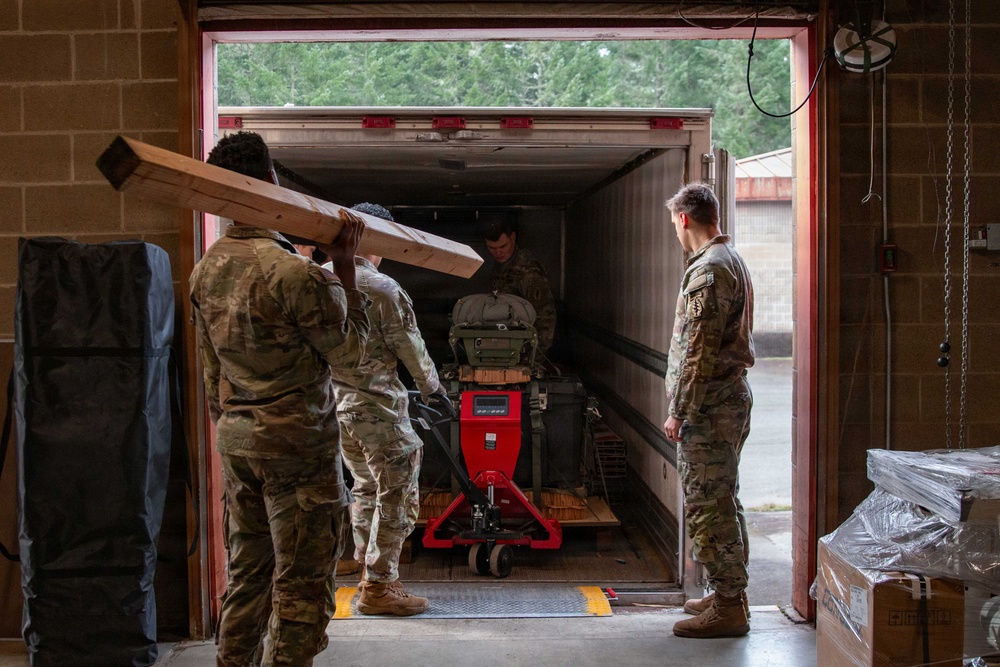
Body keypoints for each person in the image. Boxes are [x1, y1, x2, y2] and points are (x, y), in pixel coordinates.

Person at [189, 130, 371, 666]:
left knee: (248, 572)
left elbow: (209, 374)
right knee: (303, 583)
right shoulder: (296, 274)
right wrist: (344, 268)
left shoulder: (207, 269)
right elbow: (353, 356)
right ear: (271, 183)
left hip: (239, 443)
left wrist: (234, 426)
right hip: (298, 446)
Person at [330, 202, 454, 616]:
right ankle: (380, 586)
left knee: (365, 489)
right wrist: (432, 387)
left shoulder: (319, 280)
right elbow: (410, 347)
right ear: (378, 239)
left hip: (339, 411)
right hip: (378, 411)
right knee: (397, 494)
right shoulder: (382, 288)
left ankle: (368, 572)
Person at [661, 182, 755, 639]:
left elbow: (698, 349)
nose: (675, 233)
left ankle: (730, 606)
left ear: (684, 219)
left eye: (674, 225)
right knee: (723, 499)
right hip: (723, 400)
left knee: (708, 505)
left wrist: (680, 409)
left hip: (710, 406)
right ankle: (728, 592)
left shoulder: (710, 270)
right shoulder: (727, 258)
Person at [484, 219, 557, 355]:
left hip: (527, 351)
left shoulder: (528, 271)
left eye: (503, 246)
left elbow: (545, 319)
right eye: (492, 248)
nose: (498, 252)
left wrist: (534, 360)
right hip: (509, 347)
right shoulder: (501, 266)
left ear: (513, 237)